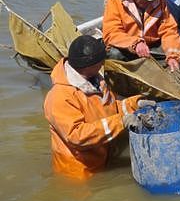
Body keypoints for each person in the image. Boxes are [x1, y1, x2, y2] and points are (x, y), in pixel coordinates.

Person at [43, 35, 151, 179]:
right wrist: (122, 122)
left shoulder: (95, 80)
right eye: (100, 62)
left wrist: (135, 104)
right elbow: (77, 136)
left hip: (104, 157)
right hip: (80, 172)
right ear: (88, 66)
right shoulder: (59, 97)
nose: (103, 64)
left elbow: (111, 108)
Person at [102, 0, 180, 71]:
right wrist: (135, 43)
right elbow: (111, 33)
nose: (151, 1)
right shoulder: (114, 0)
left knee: (179, 52)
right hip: (128, 48)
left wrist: (173, 56)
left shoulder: (159, 0)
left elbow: (169, 30)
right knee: (114, 54)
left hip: (151, 48)